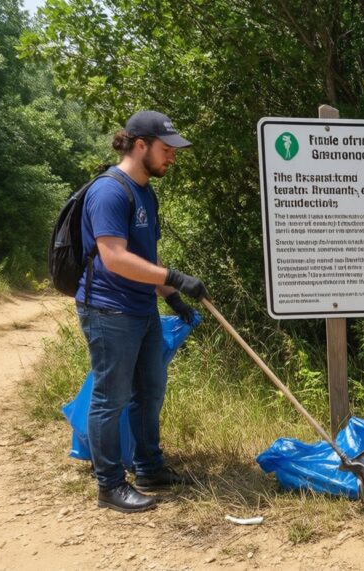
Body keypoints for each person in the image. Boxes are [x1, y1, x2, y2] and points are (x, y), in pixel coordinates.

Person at [76, 110, 208, 513]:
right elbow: (114, 258)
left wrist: (170, 295)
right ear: (140, 145)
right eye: (166, 150)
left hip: (142, 308)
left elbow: (143, 257)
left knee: (149, 392)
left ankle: (149, 468)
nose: (172, 158)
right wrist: (176, 276)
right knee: (110, 398)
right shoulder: (109, 192)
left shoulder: (146, 191)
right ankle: (110, 486)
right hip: (108, 311)